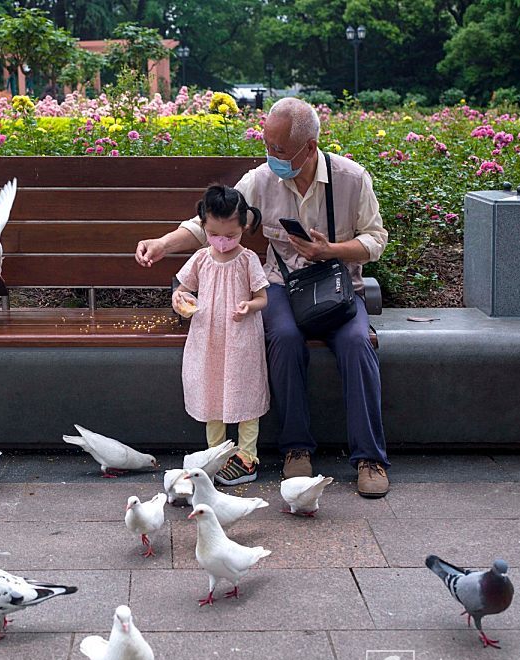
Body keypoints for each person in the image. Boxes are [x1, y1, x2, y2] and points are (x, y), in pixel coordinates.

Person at [136, 97, 391, 498]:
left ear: (309, 148)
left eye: (279, 150)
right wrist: (164, 243)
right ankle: (296, 450)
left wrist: (331, 252)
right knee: (284, 339)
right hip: (281, 288)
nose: (270, 157)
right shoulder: (261, 180)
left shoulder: (351, 178)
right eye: (267, 146)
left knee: (359, 344)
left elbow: (376, 241)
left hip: (338, 289)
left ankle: (370, 458)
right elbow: (209, 226)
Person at [173, 185, 269, 485]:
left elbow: (262, 297)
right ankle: (214, 453)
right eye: (215, 235)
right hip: (209, 337)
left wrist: (248, 306)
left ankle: (247, 456)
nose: (223, 242)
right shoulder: (202, 258)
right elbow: (183, 288)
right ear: (204, 226)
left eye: (231, 236)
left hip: (241, 338)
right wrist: (180, 299)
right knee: (212, 389)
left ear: (244, 227)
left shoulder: (247, 259)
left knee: (245, 392)